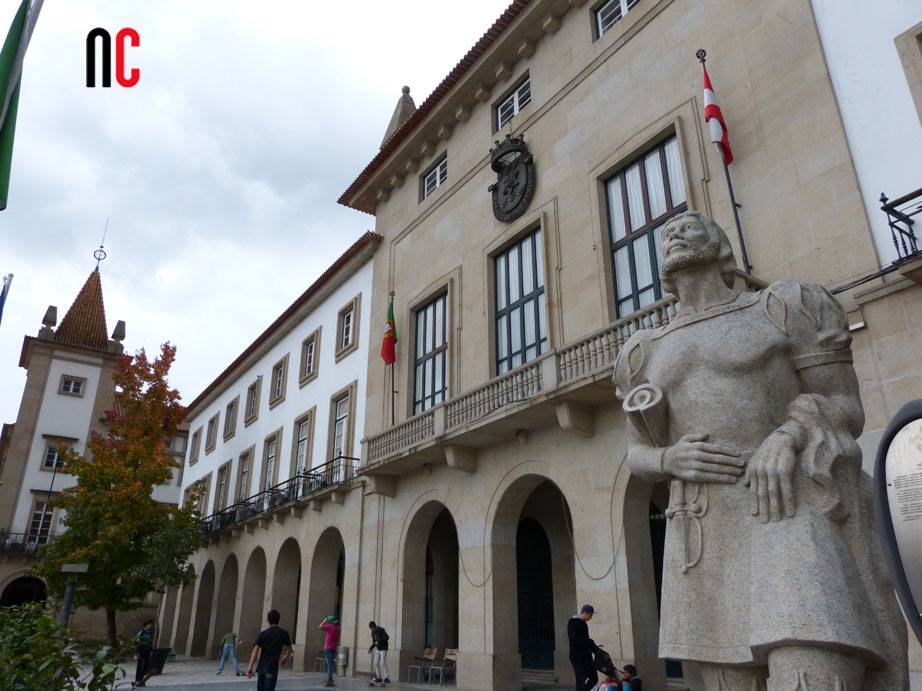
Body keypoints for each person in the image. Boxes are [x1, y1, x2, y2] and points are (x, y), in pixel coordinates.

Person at [615, 211, 907, 689]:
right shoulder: (643, 353)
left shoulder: (782, 308)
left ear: (723, 247)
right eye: (668, 231)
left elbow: (845, 405)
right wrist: (668, 459)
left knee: (814, 659)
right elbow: (637, 450)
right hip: (704, 532)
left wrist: (791, 433)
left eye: (692, 226)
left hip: (790, 505)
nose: (676, 232)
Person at [246, 609, 293, 691]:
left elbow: (255, 650)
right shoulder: (283, 633)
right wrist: (285, 657)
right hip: (272, 668)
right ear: (279, 619)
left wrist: (250, 666)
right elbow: (290, 649)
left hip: (261, 667)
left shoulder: (263, 634)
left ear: (268, 620)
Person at [567, 604, 599, 691]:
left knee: (586, 680)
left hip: (584, 656)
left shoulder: (582, 623)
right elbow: (574, 640)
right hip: (578, 657)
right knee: (586, 679)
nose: (591, 617)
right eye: (590, 614)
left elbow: (585, 640)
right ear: (585, 613)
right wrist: (590, 642)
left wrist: (594, 649)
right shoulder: (574, 623)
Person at [319, 615, 342, 687]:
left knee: (329, 663)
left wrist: (325, 620)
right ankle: (330, 678)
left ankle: (330, 679)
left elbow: (320, 626)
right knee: (330, 663)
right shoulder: (338, 628)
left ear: (330, 621)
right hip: (333, 647)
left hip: (328, 647)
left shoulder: (329, 626)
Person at [367, 620, 391, 685]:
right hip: (378, 648)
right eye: (371, 628)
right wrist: (371, 648)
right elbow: (374, 642)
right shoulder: (373, 632)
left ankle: (387, 677)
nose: (372, 630)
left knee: (382, 662)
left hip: (383, 648)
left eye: (372, 628)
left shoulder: (381, 630)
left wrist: (379, 641)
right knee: (375, 663)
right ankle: (378, 677)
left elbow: (387, 637)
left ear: (375, 626)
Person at [133, 620, 155, 687]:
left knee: (147, 665)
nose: (151, 626)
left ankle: (140, 678)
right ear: (146, 625)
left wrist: (151, 651)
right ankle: (137, 679)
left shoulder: (150, 633)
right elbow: (136, 642)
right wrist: (137, 652)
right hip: (141, 650)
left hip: (147, 650)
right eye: (150, 624)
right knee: (139, 665)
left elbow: (151, 642)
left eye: (152, 624)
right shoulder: (141, 633)